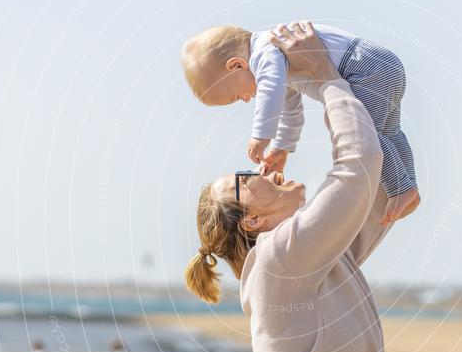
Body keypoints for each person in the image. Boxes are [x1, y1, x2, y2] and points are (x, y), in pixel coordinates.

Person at [184, 22, 396, 352]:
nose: (263, 171)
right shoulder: (280, 259)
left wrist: (399, 172)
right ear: (254, 221)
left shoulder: (307, 260)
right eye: (248, 179)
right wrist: (325, 77)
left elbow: (370, 192)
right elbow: (358, 168)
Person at [180, 22, 420, 225]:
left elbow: (271, 91)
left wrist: (261, 136)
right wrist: (282, 147)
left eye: (236, 96)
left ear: (235, 65)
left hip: (363, 69)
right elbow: (290, 110)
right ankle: (409, 187)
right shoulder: (278, 59)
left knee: (367, 134)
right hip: (383, 66)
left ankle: (401, 189)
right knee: (389, 132)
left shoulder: (265, 52)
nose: (245, 99)